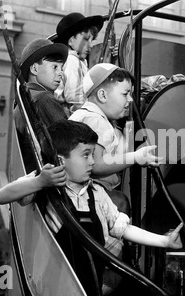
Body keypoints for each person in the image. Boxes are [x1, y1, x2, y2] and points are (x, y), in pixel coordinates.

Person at [0, 119, 183, 296]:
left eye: (93, 154)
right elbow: (2, 196)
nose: (92, 162)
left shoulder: (97, 194)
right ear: (60, 161)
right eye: (86, 154)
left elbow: (123, 229)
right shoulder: (42, 187)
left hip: (89, 290)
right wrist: (39, 181)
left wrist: (164, 241)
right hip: (47, 291)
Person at [69, 63, 163, 214]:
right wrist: (135, 157)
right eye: (125, 94)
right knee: (120, 202)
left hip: (81, 192)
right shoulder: (96, 120)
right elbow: (96, 165)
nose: (131, 100)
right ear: (103, 95)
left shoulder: (88, 116)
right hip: (89, 194)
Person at [14, 38, 69, 173]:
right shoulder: (43, 99)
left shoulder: (25, 98)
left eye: (61, 68)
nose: (61, 73)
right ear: (34, 69)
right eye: (54, 67)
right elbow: (70, 144)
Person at [53, 12, 104, 116]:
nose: (90, 45)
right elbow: (76, 99)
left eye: (92, 39)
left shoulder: (80, 61)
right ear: (71, 41)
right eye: (86, 39)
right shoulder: (72, 60)